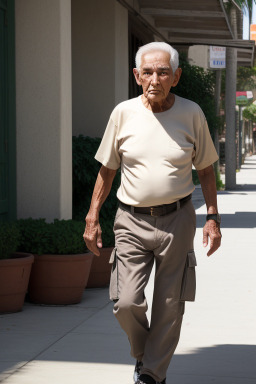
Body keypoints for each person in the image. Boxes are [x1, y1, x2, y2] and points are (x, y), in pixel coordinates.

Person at [83, 42, 221, 384]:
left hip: (178, 218)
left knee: (170, 303)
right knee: (126, 302)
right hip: (130, 219)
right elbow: (107, 169)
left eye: (162, 72)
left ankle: (151, 375)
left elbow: (205, 169)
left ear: (176, 77)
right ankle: (146, 354)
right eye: (147, 72)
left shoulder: (191, 113)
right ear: (136, 75)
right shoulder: (123, 113)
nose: (154, 79)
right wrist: (92, 217)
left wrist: (213, 217)